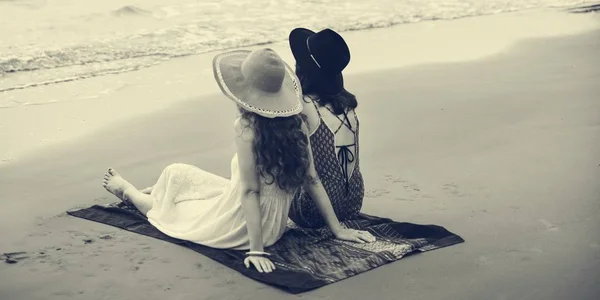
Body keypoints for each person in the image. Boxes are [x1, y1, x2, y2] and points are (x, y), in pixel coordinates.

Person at [101, 48, 375, 274]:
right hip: (273, 226)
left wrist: (256, 249)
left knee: (173, 198)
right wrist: (337, 229)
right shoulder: (298, 124)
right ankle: (159, 191)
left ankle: (129, 192)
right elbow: (312, 179)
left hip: (244, 227)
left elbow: (250, 191)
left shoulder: (246, 128)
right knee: (183, 179)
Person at [287, 28, 364, 229]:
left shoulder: (303, 105)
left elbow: (309, 177)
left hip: (313, 212)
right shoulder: (348, 103)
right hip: (353, 203)